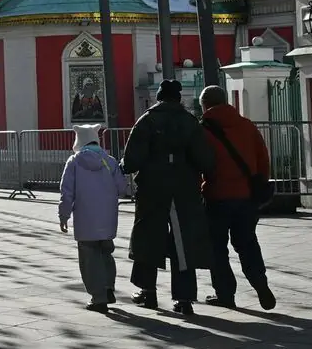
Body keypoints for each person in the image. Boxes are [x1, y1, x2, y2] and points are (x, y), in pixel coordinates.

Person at [120, 81, 213, 317]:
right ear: (179, 99)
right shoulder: (190, 122)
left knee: (148, 237)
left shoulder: (147, 121)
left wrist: (123, 166)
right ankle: (184, 298)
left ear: (159, 98)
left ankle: (147, 291)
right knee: (183, 241)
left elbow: (131, 161)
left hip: (152, 188)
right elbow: (205, 160)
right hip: (185, 189)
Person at [198, 86, 277, 311]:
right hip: (246, 197)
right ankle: (260, 283)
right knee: (247, 242)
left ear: (204, 105)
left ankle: (225, 294)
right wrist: (258, 184)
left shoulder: (202, 130)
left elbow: (198, 163)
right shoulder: (246, 125)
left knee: (217, 248)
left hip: (217, 196)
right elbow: (263, 159)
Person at [59, 124, 124, 312]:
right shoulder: (110, 161)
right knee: (106, 254)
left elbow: (67, 192)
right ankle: (108, 288)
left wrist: (64, 215)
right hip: (107, 219)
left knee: (89, 259)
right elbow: (121, 188)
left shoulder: (74, 162)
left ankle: (98, 298)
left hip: (85, 220)